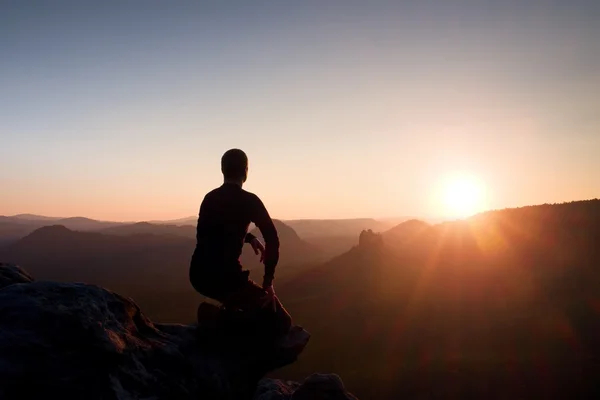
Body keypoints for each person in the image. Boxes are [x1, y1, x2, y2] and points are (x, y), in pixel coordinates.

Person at [189, 148, 292, 340]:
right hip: (227, 280)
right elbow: (272, 238)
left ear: (222, 170)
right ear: (246, 171)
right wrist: (268, 282)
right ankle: (216, 318)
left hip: (198, 276)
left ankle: (225, 313)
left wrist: (250, 238)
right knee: (281, 323)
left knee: (244, 303)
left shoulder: (209, 198)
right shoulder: (250, 201)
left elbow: (211, 233)